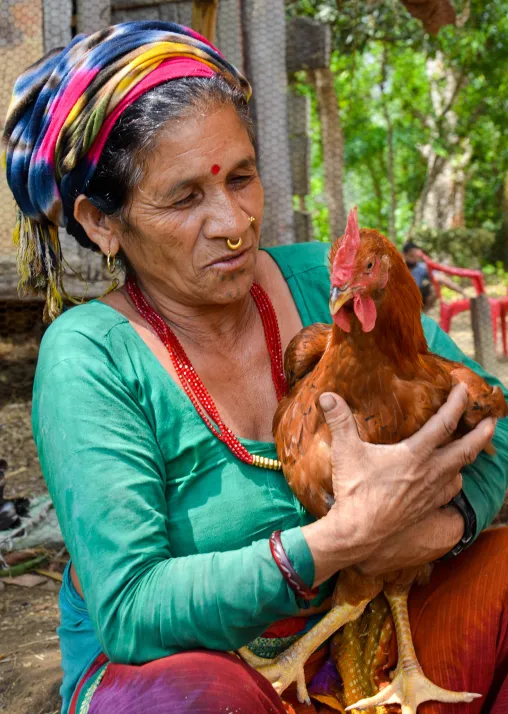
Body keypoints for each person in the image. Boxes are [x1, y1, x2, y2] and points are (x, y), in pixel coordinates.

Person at [2, 22, 507, 714]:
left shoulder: (328, 285)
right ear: (100, 222)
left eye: (243, 178)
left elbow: (497, 425)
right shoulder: (89, 356)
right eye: (185, 198)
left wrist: (435, 527)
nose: (234, 221)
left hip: (368, 636)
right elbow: (130, 609)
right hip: (191, 677)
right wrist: (342, 541)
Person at [402, 241, 468, 311]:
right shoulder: (398, 268)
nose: (414, 259)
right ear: (404, 255)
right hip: (401, 299)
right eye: (411, 256)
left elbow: (440, 277)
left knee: (437, 283)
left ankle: (423, 314)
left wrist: (462, 292)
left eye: (416, 256)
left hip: (416, 297)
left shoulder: (421, 267)